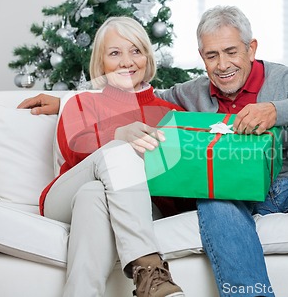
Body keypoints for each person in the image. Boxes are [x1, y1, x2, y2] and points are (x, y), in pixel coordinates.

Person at [19, 6, 288, 297]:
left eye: (231, 52)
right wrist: (64, 100)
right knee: (213, 196)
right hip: (238, 191)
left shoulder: (285, 80)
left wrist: (277, 111)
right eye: (212, 55)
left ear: (251, 48)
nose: (222, 64)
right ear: (202, 57)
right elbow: (133, 98)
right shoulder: (190, 94)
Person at [24, 16, 192, 297]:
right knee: (115, 154)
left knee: (94, 194)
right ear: (100, 62)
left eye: (135, 51)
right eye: (115, 53)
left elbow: (182, 182)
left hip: (136, 205)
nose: (127, 61)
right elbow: (74, 149)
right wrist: (118, 137)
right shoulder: (82, 102)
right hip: (65, 198)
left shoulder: (171, 114)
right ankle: (152, 273)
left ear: (147, 58)